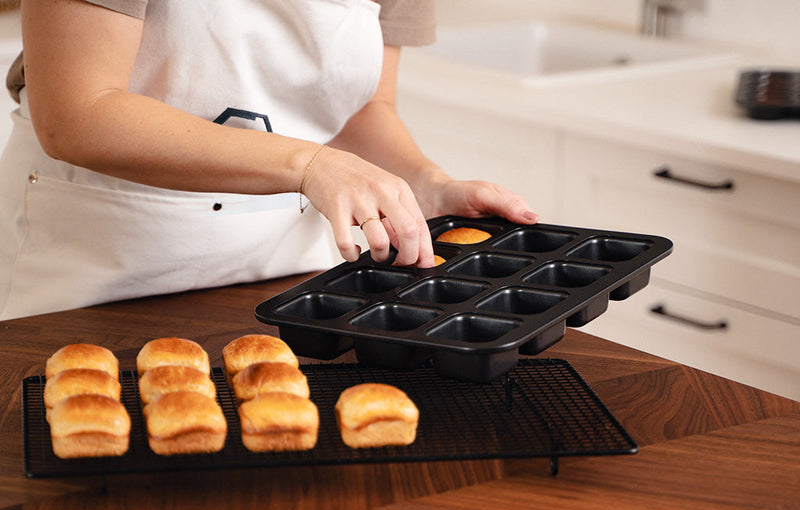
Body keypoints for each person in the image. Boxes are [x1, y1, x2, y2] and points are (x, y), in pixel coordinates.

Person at [0, 0, 539, 321]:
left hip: (289, 290)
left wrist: (427, 184)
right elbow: (77, 112)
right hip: (97, 275)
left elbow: (364, 108)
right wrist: (313, 166)